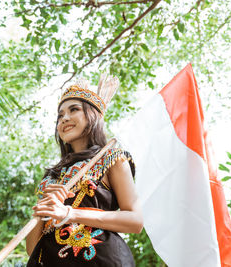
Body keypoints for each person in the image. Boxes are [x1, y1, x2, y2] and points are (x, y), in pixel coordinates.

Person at [26, 76, 143, 266]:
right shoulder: (52, 177)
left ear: (93, 116)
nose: (64, 118)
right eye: (60, 115)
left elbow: (135, 220)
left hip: (101, 260)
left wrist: (69, 213)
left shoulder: (112, 158)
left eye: (74, 110)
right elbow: (32, 249)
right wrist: (42, 212)